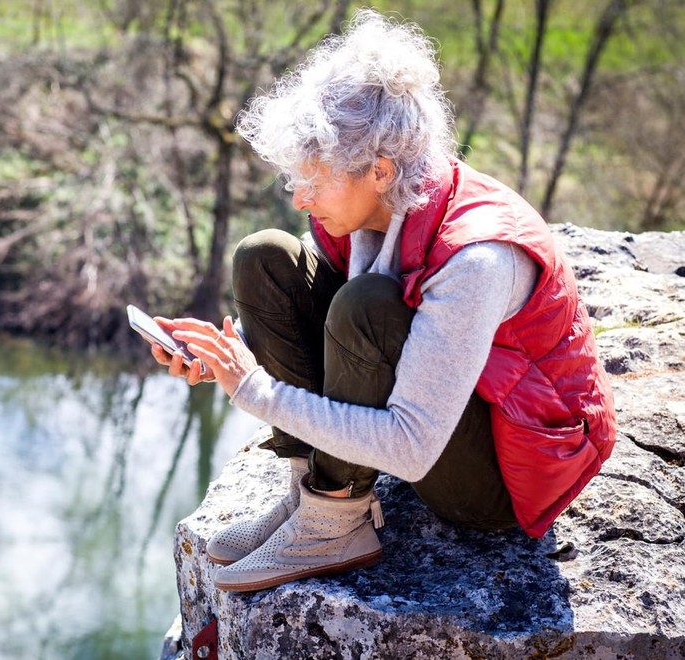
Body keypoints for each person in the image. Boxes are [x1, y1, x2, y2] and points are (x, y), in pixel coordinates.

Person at [148, 9, 616, 593]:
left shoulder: (477, 259)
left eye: (314, 179)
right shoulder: (376, 206)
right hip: (446, 404)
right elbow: (297, 310)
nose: (300, 197)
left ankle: (336, 518)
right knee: (266, 257)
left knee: (365, 307)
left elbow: (410, 446)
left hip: (501, 477)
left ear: (379, 169)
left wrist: (254, 391)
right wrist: (220, 354)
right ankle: (308, 496)